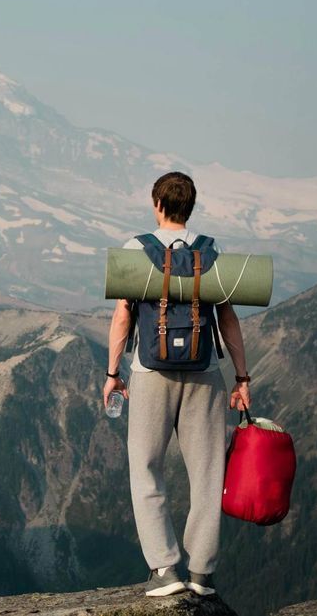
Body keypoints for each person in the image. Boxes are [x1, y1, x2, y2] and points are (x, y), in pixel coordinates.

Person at [102, 171, 251, 598]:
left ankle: (165, 570)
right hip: (205, 376)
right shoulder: (210, 250)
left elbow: (123, 317)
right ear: (191, 207)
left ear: (157, 204)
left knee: (146, 468)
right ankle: (202, 573)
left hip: (151, 375)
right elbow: (227, 320)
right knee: (207, 473)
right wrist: (241, 378)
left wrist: (113, 374)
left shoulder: (136, 249)